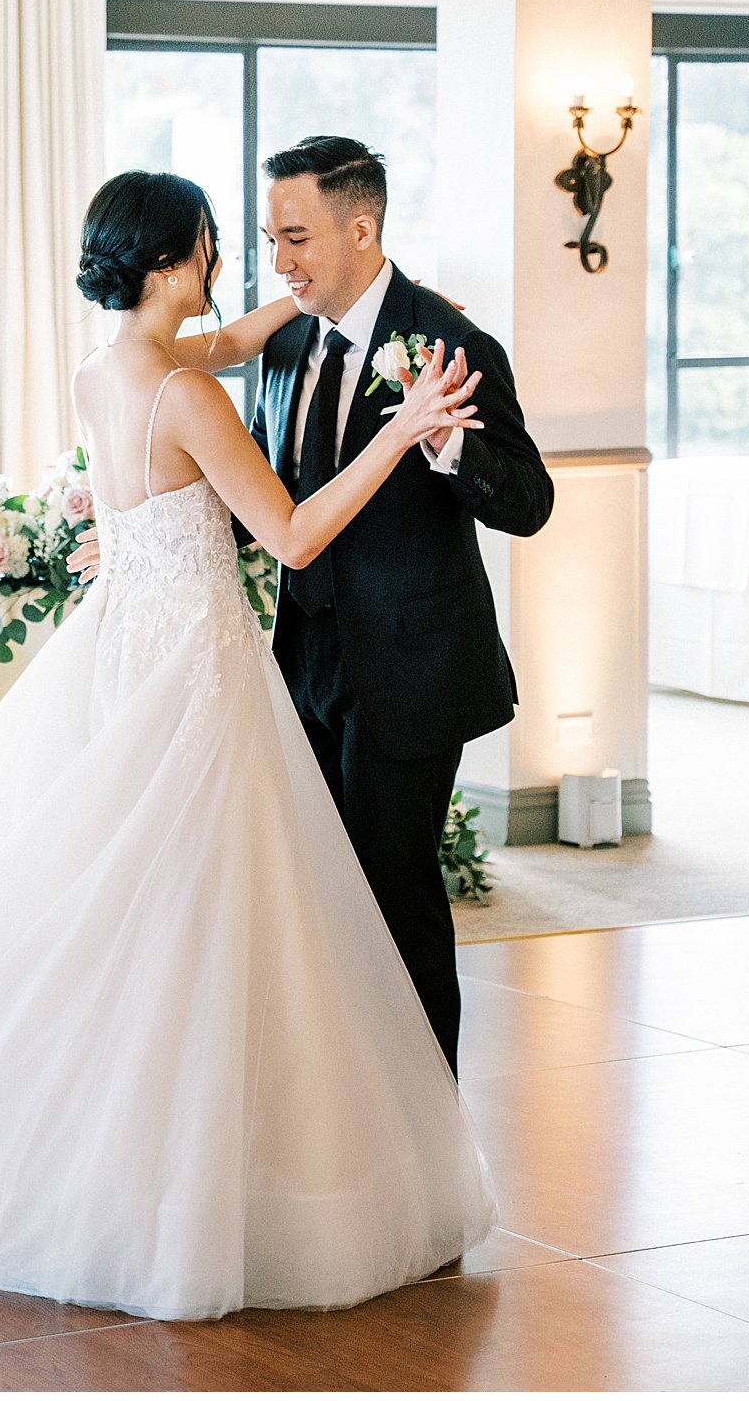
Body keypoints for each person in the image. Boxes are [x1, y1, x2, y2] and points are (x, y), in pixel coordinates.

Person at [0, 170, 498, 1322]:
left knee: (119, 917)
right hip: (196, 668)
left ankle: (103, 1158)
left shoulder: (108, 370)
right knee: (203, 926)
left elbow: (234, 336)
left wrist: (339, 288)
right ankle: (187, 1184)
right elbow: (290, 536)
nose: (231, 262)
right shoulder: (190, 398)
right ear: (172, 256)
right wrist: (397, 428)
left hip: (123, 656)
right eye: (214, 243)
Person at [252, 136, 555, 1080]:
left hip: (413, 670)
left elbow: (530, 501)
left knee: (396, 896)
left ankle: (426, 1132)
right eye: (269, 237)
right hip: (301, 661)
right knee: (316, 895)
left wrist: (447, 450)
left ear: (362, 227)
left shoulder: (454, 345)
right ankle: (344, 1114)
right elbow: (273, 489)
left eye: (295, 236)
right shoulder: (288, 343)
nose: (280, 261)